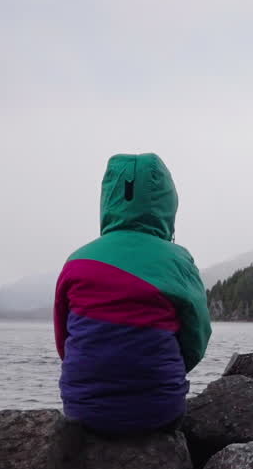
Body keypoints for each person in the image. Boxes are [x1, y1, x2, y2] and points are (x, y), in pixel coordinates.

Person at [52, 153, 211, 435]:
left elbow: (63, 342)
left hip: (83, 410)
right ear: (168, 203)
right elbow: (197, 337)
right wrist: (162, 374)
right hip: (158, 411)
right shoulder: (177, 260)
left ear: (107, 200)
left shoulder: (77, 261)